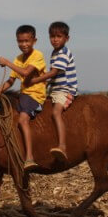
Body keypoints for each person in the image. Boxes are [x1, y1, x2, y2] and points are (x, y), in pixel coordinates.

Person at [0, 24, 47, 172]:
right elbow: (11, 81)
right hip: (23, 95)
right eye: (20, 41)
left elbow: (25, 73)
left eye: (26, 41)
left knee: (23, 119)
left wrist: (7, 63)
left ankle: (29, 157)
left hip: (35, 95)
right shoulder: (18, 59)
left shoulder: (38, 56)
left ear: (34, 41)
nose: (23, 44)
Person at [28, 21, 77, 161]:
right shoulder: (55, 52)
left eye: (58, 36)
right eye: (52, 36)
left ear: (67, 38)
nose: (55, 39)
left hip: (65, 89)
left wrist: (36, 81)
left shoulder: (63, 53)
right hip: (55, 89)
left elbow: (54, 72)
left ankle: (62, 146)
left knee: (56, 112)